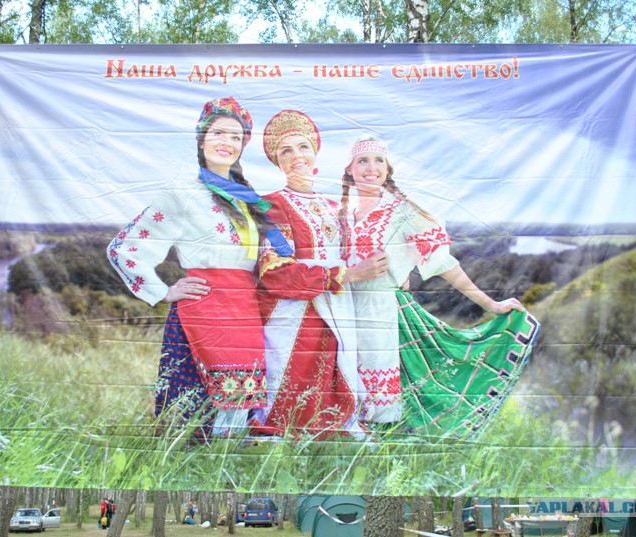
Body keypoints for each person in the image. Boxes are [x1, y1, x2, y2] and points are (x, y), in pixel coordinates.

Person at [107, 97, 292, 440]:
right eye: (218, 133)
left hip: (244, 309)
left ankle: (229, 458)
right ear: (201, 138)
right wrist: (164, 290)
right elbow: (125, 247)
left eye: (235, 137)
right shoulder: (183, 193)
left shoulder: (247, 198)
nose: (227, 142)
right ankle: (191, 460)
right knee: (195, 409)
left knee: (239, 402)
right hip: (203, 308)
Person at [339, 134, 541, 438]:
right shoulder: (341, 215)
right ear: (350, 168)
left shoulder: (402, 213)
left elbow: (444, 264)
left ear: (388, 169)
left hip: (382, 314)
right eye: (363, 160)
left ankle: (383, 458)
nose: (372, 167)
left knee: (380, 404)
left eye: (379, 160)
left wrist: (491, 304)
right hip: (342, 312)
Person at [251, 110, 387, 438]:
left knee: (336, 382)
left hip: (339, 308)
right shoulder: (272, 205)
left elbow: (360, 253)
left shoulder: (336, 208)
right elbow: (276, 272)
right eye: (286, 151)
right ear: (277, 162)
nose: (296, 156)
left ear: (315, 153)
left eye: (303, 147)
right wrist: (345, 276)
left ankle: (331, 438)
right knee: (291, 389)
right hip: (294, 314)